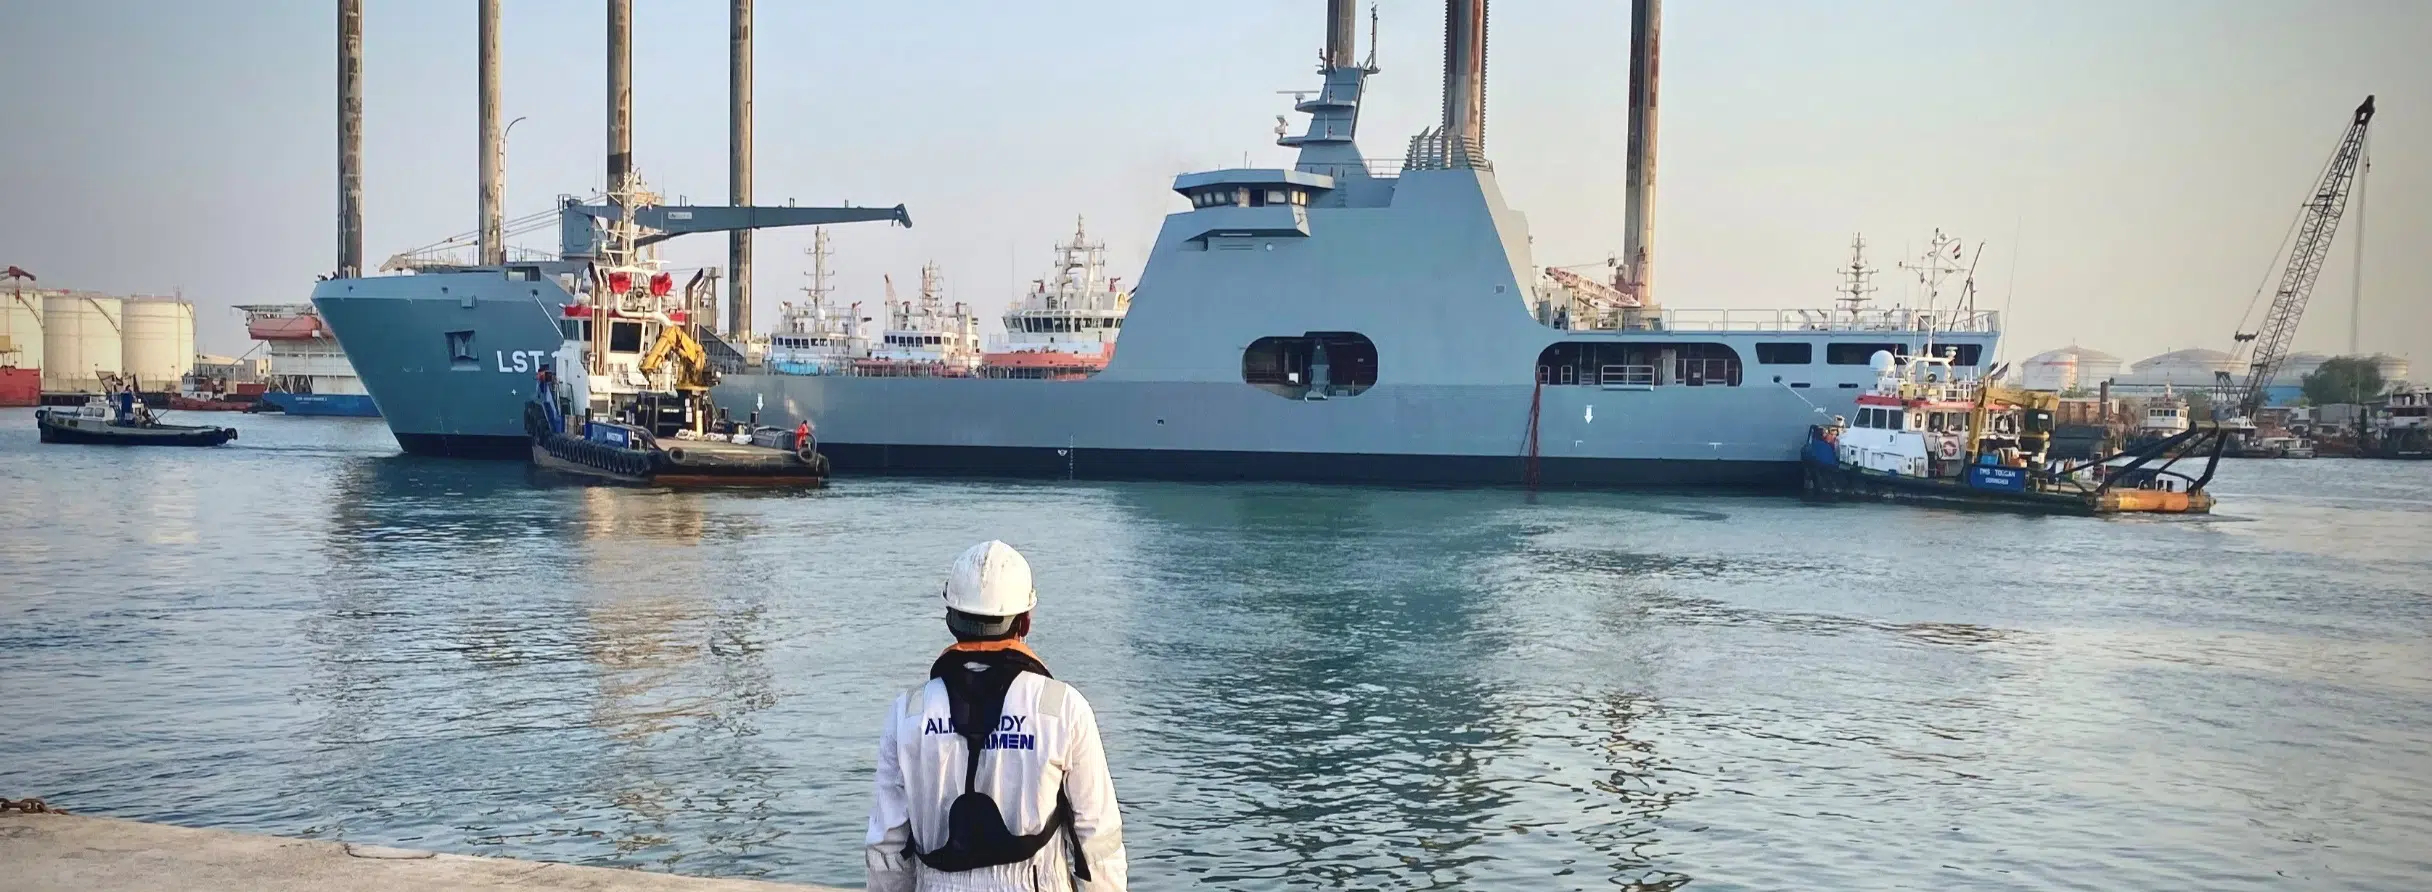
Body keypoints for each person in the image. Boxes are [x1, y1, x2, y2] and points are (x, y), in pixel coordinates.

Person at [866, 541, 1126, 892]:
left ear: (951, 619)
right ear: (1025, 621)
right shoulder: (1063, 708)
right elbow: (1097, 842)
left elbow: (887, 846)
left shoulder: (908, 713)